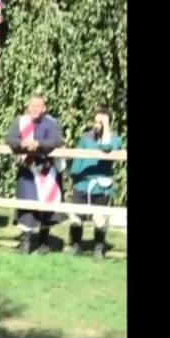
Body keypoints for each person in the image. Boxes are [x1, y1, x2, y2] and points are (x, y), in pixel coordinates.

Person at [6, 94, 66, 255]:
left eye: (38, 106)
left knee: (47, 207)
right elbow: (10, 139)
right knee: (26, 204)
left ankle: (43, 244)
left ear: (44, 108)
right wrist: (22, 144)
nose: (34, 109)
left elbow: (56, 141)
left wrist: (38, 145)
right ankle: (25, 243)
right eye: (32, 105)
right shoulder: (20, 121)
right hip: (28, 170)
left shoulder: (51, 123)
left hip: (46, 170)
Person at [67, 107, 124, 260]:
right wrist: (75, 177)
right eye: (96, 120)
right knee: (75, 216)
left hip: (101, 185)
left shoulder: (115, 139)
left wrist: (106, 130)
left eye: (101, 122)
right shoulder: (86, 138)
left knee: (99, 218)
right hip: (82, 183)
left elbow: (107, 148)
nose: (97, 124)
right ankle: (76, 245)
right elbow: (77, 159)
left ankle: (98, 248)